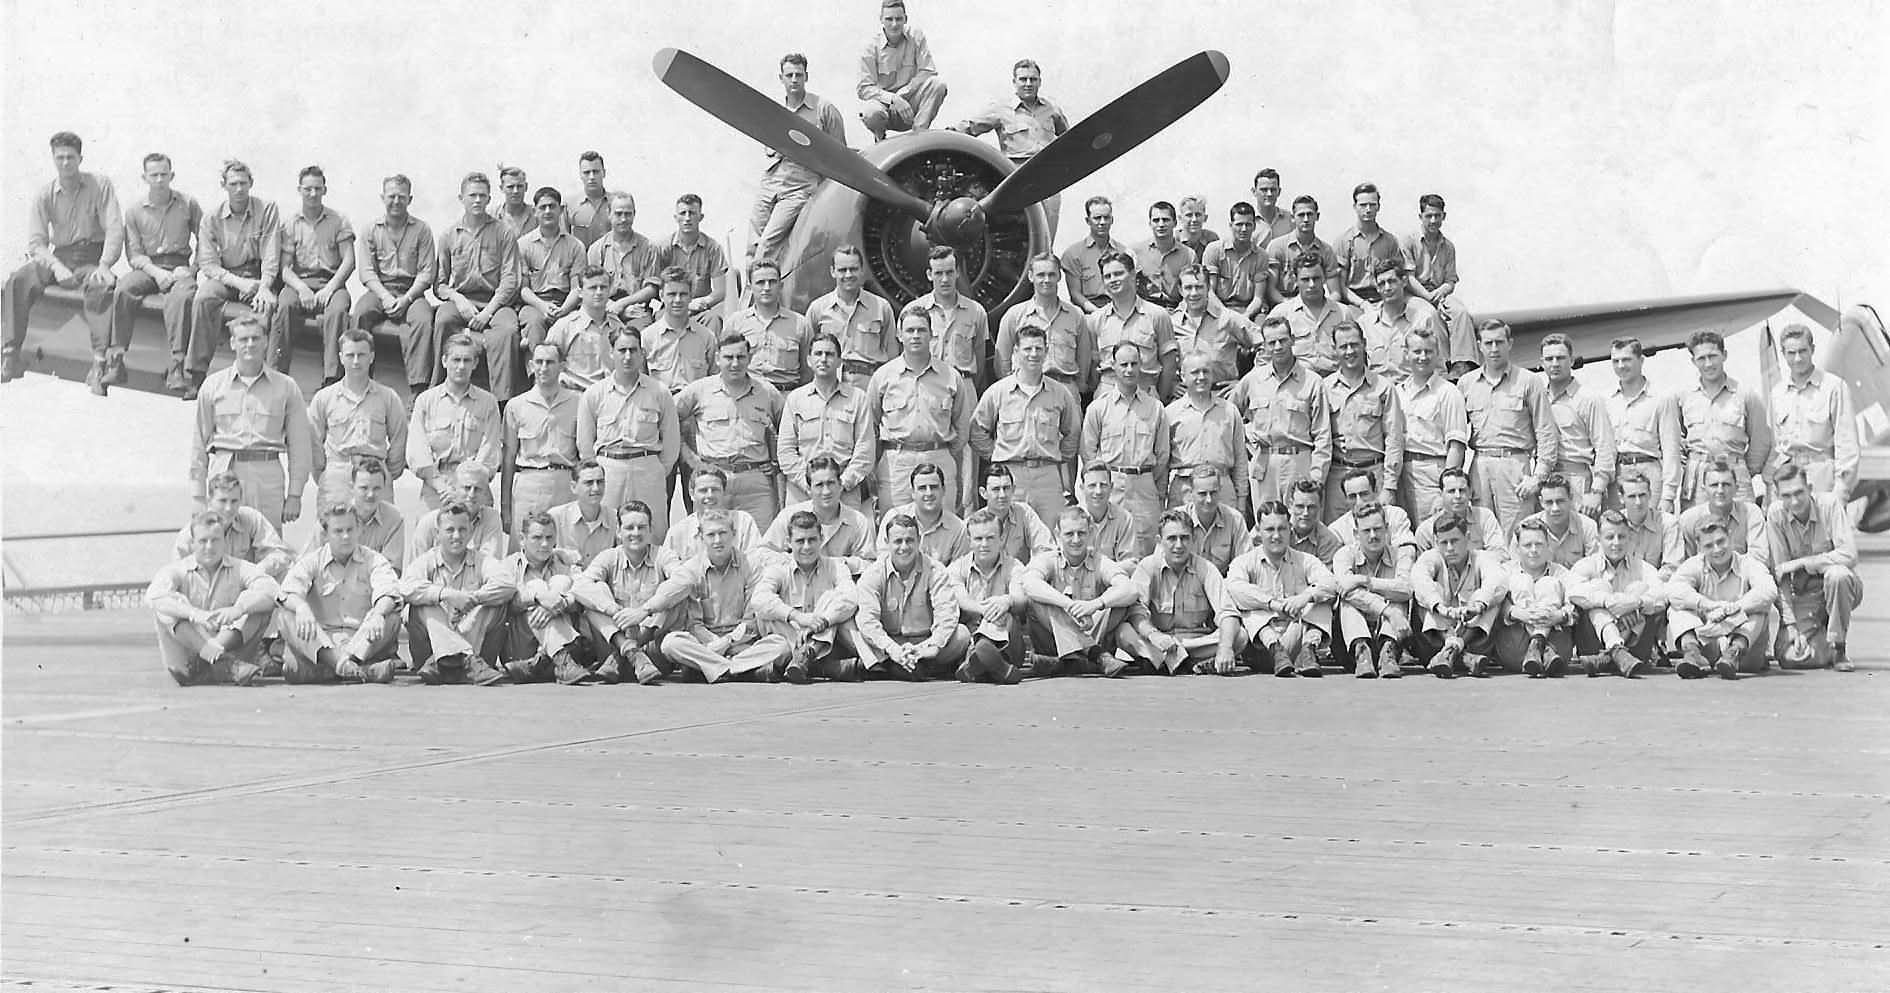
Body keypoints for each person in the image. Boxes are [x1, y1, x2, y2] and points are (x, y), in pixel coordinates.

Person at [5, 131, 122, 387]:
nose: (65, 163)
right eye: (60, 158)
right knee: (17, 280)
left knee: (102, 287)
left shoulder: (100, 185)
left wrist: (104, 265)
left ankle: (99, 363)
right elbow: (36, 243)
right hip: (60, 257)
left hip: (91, 256)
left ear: (81, 158)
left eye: (71, 157)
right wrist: (56, 267)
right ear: (53, 159)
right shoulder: (44, 194)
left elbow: (114, 228)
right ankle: (9, 354)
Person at [189, 315, 312, 530]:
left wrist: (294, 494)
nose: (250, 344)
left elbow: (300, 445)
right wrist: (198, 495)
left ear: (265, 341)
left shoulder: (286, 387)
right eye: (243, 339)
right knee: (221, 541)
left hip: (266, 475)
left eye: (255, 338)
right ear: (232, 343)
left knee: (268, 547)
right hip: (224, 471)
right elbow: (199, 442)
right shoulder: (213, 386)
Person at [647, 510, 789, 683]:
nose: (717, 540)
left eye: (723, 533)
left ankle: (714, 669)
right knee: (671, 643)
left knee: (780, 645)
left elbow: (751, 620)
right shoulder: (692, 569)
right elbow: (694, 623)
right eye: (711, 535)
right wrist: (715, 644)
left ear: (733, 534)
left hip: (741, 643)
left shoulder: (750, 566)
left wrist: (728, 642)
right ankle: (739, 670)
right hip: (705, 644)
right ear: (701, 538)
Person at [147, 511, 280, 687]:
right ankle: (220, 663)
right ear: (192, 543)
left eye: (215, 540)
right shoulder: (176, 570)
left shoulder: (239, 567)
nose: (209, 546)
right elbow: (153, 596)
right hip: (186, 662)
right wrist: (194, 613)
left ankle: (215, 662)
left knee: (256, 602)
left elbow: (273, 591)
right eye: (203, 541)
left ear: (224, 541)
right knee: (167, 605)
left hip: (230, 653)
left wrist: (238, 609)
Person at [277, 503, 402, 684]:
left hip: (362, 641)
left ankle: (335, 669)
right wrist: (302, 607)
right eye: (338, 531)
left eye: (350, 529)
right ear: (326, 534)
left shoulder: (374, 560)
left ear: (359, 530)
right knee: (286, 615)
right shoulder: (312, 561)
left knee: (391, 616)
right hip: (321, 641)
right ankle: (355, 669)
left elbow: (389, 591)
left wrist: (378, 614)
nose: (345, 536)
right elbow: (288, 592)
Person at [864, 309, 975, 512]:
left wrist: (942, 452)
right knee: (896, 527)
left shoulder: (950, 377)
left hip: (938, 457)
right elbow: (870, 426)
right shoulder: (883, 377)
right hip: (896, 463)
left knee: (943, 527)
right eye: (910, 330)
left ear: (931, 334)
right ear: (899, 335)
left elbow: (962, 428)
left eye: (921, 330)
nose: (915, 336)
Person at [971, 324, 1081, 526]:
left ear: (1046, 351)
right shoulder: (999, 392)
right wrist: (995, 456)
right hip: (1010, 476)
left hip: (1047, 476)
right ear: (1016, 352)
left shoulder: (1060, 393)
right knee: (1009, 536)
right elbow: (977, 430)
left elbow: (1072, 432)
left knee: (1052, 535)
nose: (1033, 354)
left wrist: (1058, 457)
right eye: (1027, 349)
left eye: (1039, 349)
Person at [188, 160, 280, 398]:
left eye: (243, 183)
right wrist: (239, 283)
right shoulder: (211, 218)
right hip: (228, 276)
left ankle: (259, 377)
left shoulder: (267, 209)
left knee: (265, 308)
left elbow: (271, 253)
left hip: (259, 277)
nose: (239, 189)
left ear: (251, 184)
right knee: (204, 298)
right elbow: (208, 263)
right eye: (233, 184)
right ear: (224, 186)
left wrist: (265, 286)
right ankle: (196, 374)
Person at [578, 326, 681, 538]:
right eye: (622, 350)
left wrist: (659, 469)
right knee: (606, 533)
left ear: (642, 353)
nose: (627, 356)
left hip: (647, 470)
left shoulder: (659, 392)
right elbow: (585, 445)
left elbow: (671, 442)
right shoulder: (595, 394)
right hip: (609, 470)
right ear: (611, 353)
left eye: (633, 350)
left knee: (653, 533)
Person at [400, 500, 515, 685]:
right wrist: (447, 594)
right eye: (449, 530)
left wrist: (473, 599)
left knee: (494, 601)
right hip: (432, 652)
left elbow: (507, 583)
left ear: (470, 532)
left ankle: (455, 661)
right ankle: (462, 659)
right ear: (437, 534)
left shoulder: (481, 560)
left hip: (474, 644)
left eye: (462, 530)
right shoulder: (426, 561)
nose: (456, 536)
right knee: (424, 605)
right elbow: (406, 586)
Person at [1017, 508, 1141, 678]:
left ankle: (1070, 662)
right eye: (1069, 534)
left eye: (1081, 533)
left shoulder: (1100, 561)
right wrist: (1067, 605)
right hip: (1053, 643)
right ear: (1057, 534)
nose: (1076, 540)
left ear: (1090, 533)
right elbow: (1029, 583)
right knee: (1036, 600)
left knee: (1121, 602)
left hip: (1092, 630)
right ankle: (1095, 656)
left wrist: (1094, 605)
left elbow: (1130, 589)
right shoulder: (1048, 559)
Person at [677, 334, 786, 528]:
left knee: (761, 547)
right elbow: (668, 420)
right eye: (728, 357)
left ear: (750, 358)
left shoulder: (767, 392)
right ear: (718, 358)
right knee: (712, 541)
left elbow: (788, 429)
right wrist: (691, 458)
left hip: (755, 483)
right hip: (714, 480)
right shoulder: (699, 390)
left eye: (741, 357)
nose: (735, 363)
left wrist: (777, 462)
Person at [1461, 319, 1559, 532]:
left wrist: (1538, 477)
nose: (1494, 349)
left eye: (1499, 342)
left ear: (1510, 343)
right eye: (1488, 343)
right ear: (1479, 345)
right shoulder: (1466, 383)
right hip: (1480, 466)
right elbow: (1456, 434)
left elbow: (1546, 432)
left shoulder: (1529, 381)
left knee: (1519, 533)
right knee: (1480, 532)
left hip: (1515, 465)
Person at [114, 152, 201, 394]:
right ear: (145, 177)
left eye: (164, 174)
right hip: (149, 267)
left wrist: (192, 269)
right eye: (154, 175)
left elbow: (206, 240)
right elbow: (134, 254)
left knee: (182, 298)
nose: (160, 179)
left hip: (180, 266)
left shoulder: (188, 204)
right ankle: (116, 358)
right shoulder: (134, 211)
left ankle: (177, 366)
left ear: (172, 175)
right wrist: (155, 273)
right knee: (123, 289)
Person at [751, 52, 850, 264]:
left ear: (806, 76)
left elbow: (840, 155)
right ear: (781, 78)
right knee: (753, 246)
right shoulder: (773, 109)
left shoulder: (824, 109)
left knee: (767, 245)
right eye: (789, 75)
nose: (794, 80)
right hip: (771, 182)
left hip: (800, 187)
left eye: (798, 74)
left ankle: (762, 292)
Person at [846, 512, 971, 679]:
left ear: (919, 541)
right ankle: (904, 665)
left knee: (962, 634)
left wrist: (928, 648)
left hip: (926, 643)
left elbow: (947, 614)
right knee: (854, 629)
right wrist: (893, 650)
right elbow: (868, 621)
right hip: (888, 644)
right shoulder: (873, 574)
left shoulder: (936, 571)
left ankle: (901, 667)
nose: (904, 547)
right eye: (898, 541)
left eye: (910, 540)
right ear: (887, 543)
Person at [1117, 510, 1241, 676]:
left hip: (1195, 642)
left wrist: (1225, 648)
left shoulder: (1206, 569)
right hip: (1158, 641)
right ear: (1160, 542)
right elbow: (1137, 613)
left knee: (1239, 636)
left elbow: (1227, 612)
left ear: (1193, 540)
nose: (1179, 545)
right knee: (1123, 632)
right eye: (1172, 539)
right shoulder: (1147, 567)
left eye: (1184, 538)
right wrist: (1154, 635)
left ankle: (1166, 662)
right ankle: (1186, 663)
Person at [949, 58, 1068, 230]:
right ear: (1014, 82)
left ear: (1039, 82)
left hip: (1048, 178)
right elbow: (970, 126)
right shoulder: (1000, 109)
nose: (1028, 84)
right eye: (1023, 79)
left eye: (1033, 79)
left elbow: (1068, 138)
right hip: (1016, 176)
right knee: (1018, 231)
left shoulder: (1052, 109)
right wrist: (947, 133)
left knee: (1047, 233)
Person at [432, 172, 523, 397]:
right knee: (443, 320)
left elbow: (510, 279)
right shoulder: (449, 235)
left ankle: (502, 401)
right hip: (463, 299)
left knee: (508, 331)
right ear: (461, 198)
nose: (477, 200)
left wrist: (488, 312)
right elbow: (440, 284)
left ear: (489, 199)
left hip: (496, 302)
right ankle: (437, 389)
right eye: (472, 195)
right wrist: (458, 299)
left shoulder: (503, 233)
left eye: (482, 196)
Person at [1766, 463, 1862, 671]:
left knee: (1838, 574)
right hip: (1804, 593)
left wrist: (1803, 562)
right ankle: (1821, 636)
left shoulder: (1829, 505)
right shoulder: (1775, 515)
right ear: (1777, 495)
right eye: (1787, 495)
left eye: (1799, 492)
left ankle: (1838, 646)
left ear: (1810, 488)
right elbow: (1780, 574)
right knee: (1790, 657)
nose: (1794, 501)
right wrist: (1791, 624)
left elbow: (1849, 554)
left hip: (1840, 587)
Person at [1225, 500, 1337, 677]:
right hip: (1260, 648)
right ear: (1259, 532)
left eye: (1282, 529)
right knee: (1249, 606)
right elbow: (1233, 588)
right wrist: (1271, 604)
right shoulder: (1244, 562)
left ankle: (1309, 650)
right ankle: (1275, 649)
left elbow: (1331, 583)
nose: (1276, 536)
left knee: (1320, 599)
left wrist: (1305, 597)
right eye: (1270, 530)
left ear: (1290, 530)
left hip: (1297, 641)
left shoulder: (1305, 560)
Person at [1230, 316, 1331, 510]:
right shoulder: (1253, 380)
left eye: (1282, 340)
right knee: (1267, 525)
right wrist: (1247, 442)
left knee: (1301, 522)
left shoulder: (1312, 382)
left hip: (1299, 462)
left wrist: (1317, 477)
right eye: (1271, 343)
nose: (1278, 347)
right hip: (1264, 464)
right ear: (1265, 346)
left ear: (1292, 340)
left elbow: (1322, 434)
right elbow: (1230, 416)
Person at [750, 509, 863, 683]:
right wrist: (798, 617)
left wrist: (821, 622)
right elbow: (759, 600)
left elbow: (850, 598)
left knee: (833, 599)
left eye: (812, 540)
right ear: (789, 542)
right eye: (800, 541)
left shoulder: (836, 566)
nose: (806, 547)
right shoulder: (778, 568)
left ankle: (807, 655)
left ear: (821, 539)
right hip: (788, 638)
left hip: (822, 637)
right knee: (770, 619)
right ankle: (817, 665)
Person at [572, 500, 677, 684]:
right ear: (619, 532)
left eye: (641, 527)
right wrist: (613, 609)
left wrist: (644, 611)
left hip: (652, 654)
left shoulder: (663, 555)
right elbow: (579, 585)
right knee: (595, 595)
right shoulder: (609, 557)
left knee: (672, 594)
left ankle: (631, 651)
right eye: (629, 527)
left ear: (650, 530)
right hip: (613, 645)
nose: (635, 533)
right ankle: (630, 651)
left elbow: (683, 580)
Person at [1082, 341, 1171, 558]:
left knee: (1145, 552)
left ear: (1141, 365)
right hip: (1110, 487)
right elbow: (1088, 454)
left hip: (1144, 489)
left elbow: (1162, 455)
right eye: (1124, 364)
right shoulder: (1098, 408)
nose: (1129, 370)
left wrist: (1148, 482)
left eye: (1134, 364)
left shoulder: (1155, 408)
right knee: (1105, 548)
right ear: (1113, 366)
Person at [353, 174, 437, 396]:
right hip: (381, 288)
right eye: (391, 196)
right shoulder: (371, 229)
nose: (396, 201)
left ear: (410, 199)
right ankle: (360, 380)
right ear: (382, 197)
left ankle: (418, 389)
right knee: (361, 313)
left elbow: (427, 272)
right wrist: (385, 297)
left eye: (402, 197)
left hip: (412, 292)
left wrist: (407, 298)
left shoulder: (422, 230)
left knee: (423, 320)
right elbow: (367, 271)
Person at [308, 328, 408, 507]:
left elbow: (399, 439)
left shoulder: (388, 397)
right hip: (337, 474)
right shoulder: (324, 398)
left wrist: (386, 472)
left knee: (378, 529)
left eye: (361, 355)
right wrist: (326, 473)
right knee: (335, 531)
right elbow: (313, 441)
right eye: (350, 355)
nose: (355, 361)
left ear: (371, 357)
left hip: (376, 476)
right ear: (340, 357)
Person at [272, 164, 354, 380]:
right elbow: (285, 268)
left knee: (337, 312)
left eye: (318, 188)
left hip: (331, 283)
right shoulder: (290, 223)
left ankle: (332, 379)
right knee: (285, 306)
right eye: (308, 189)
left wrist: (329, 289)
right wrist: (301, 289)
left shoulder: (339, 220)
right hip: (300, 282)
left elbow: (349, 261)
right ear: (299, 190)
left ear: (325, 190)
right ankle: (276, 375)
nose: (313, 194)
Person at [495, 512, 596, 685]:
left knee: (561, 581)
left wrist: (557, 604)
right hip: (521, 643)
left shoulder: (563, 563)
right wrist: (539, 598)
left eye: (550, 538)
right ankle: (561, 658)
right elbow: (509, 603)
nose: (544, 544)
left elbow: (582, 594)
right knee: (537, 586)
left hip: (558, 635)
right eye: (537, 537)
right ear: (522, 539)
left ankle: (551, 661)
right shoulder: (508, 566)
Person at [1667, 520, 1776, 680]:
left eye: (1720, 542)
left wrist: (1734, 608)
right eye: (1709, 546)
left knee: (1760, 609)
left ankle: (1733, 654)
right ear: (1699, 547)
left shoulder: (1749, 563)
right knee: (1676, 607)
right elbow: (1673, 590)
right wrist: (1709, 606)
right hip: (1708, 640)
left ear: (1730, 538)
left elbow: (1769, 590)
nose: (1717, 550)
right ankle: (1692, 653)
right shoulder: (1694, 564)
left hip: (1744, 646)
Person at [1566, 510, 1669, 678]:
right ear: (1599, 540)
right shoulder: (1585, 565)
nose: (1616, 543)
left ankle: (1610, 656)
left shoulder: (1643, 567)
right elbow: (1573, 592)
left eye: (1621, 537)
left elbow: (1663, 595)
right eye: (1609, 537)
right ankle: (1615, 649)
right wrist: (1609, 602)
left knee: (1639, 588)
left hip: (1634, 647)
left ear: (1629, 538)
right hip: (1593, 644)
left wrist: (1635, 604)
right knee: (1599, 587)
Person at [777, 332, 874, 507]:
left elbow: (865, 451)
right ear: (808, 360)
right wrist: (809, 484)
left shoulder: (858, 398)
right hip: (802, 491)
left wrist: (841, 484)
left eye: (829, 354)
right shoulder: (795, 399)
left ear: (839, 361)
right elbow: (785, 450)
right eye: (818, 354)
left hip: (845, 491)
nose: (823, 359)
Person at [407, 332, 501, 510]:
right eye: (456, 360)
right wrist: (441, 487)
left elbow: (490, 450)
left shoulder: (488, 403)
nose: (461, 366)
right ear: (444, 361)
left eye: (467, 360)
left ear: (475, 364)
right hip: (436, 490)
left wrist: (466, 487)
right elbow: (417, 450)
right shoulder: (426, 401)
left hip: (475, 491)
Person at [1677, 330, 1772, 506]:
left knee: (1741, 527)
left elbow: (1761, 440)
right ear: (1693, 361)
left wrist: (1742, 470)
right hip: (1697, 481)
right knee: (1698, 528)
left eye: (1713, 356)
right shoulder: (1685, 397)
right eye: (1701, 358)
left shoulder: (1745, 395)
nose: (1708, 364)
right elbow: (1677, 440)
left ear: (1724, 355)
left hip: (1735, 476)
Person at [1410, 512, 1507, 678]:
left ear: (1467, 537)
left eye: (1454, 541)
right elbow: (1419, 580)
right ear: (1435, 542)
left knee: (1492, 599)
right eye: (1443, 542)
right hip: (1435, 640)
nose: (1449, 548)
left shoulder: (1482, 558)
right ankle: (1459, 655)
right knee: (1426, 595)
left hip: (1473, 638)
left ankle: (1452, 651)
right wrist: (1440, 608)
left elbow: (1497, 580)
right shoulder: (1431, 558)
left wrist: (1477, 606)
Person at [1325, 320, 1405, 517]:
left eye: (1354, 344)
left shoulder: (1383, 387)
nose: (1350, 351)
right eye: (1343, 346)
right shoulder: (1324, 388)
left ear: (1364, 344)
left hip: (1373, 474)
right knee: (1337, 536)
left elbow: (1394, 439)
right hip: (1338, 476)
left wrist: (1389, 486)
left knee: (1375, 531)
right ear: (1335, 350)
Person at [1769, 323, 1858, 500]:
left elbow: (1847, 445)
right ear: (1783, 354)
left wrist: (1841, 492)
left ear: (1812, 349)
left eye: (1803, 351)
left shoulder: (1833, 387)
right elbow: (1775, 446)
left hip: (1823, 478)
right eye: (1791, 353)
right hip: (1788, 478)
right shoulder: (1777, 393)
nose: (1797, 359)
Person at [502, 343, 581, 536]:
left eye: (550, 362)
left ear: (562, 366)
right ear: (531, 366)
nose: (544, 368)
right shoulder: (516, 406)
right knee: (524, 547)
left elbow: (584, 454)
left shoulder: (578, 403)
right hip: (529, 483)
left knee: (565, 547)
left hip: (565, 484)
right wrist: (505, 507)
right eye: (539, 362)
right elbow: (508, 458)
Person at [1331, 502, 1414, 679]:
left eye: (1378, 529)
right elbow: (1346, 589)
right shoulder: (1344, 555)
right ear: (1355, 534)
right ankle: (1362, 652)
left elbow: (1406, 589)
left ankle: (1388, 651)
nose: (1373, 536)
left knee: (1398, 598)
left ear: (1387, 529)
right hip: (1348, 644)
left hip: (1390, 635)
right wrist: (1387, 611)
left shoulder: (1400, 555)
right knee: (1347, 600)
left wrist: (1367, 581)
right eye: (1366, 531)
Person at [947, 508, 1027, 683]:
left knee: (1005, 616)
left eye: (990, 538)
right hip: (971, 635)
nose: (984, 544)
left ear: (1001, 539)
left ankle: (975, 664)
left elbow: (1020, 599)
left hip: (1007, 641)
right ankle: (997, 668)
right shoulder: (957, 568)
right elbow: (960, 599)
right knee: (972, 632)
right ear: (969, 541)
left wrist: (1006, 601)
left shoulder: (1014, 566)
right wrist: (985, 610)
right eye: (978, 538)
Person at [1538, 333, 1616, 515]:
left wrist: (1596, 491)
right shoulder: (1538, 398)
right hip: (1544, 480)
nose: (1555, 363)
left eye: (1561, 358)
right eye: (1549, 359)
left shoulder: (1588, 399)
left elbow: (1605, 447)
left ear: (1572, 360)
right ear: (1542, 363)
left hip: (1577, 478)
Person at [1396, 329, 1468, 519]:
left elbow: (1456, 447)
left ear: (1437, 355)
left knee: (1432, 529)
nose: (1423, 357)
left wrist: (1445, 488)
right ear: (1406, 354)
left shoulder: (1448, 393)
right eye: (1417, 351)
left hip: (1431, 473)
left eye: (1429, 351)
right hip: (1400, 472)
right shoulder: (1397, 392)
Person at [760, 455, 877, 572]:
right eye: (819, 485)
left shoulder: (857, 521)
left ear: (840, 485)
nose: (826, 491)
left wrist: (838, 564)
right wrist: (797, 561)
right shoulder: (789, 516)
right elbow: (763, 553)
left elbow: (869, 564)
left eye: (830, 483)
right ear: (809, 489)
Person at [1606, 337, 1682, 513]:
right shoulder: (1607, 400)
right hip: (1618, 474)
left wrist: (1668, 495)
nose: (1621, 366)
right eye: (1615, 361)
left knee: (1652, 527)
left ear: (1641, 360)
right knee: (1619, 529)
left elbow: (1671, 449)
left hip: (1649, 471)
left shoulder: (1661, 398)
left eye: (1626, 360)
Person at [1089, 251, 1179, 398]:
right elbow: (1092, 367)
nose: (1113, 280)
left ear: (1132, 275)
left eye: (1118, 274)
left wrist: (1159, 399)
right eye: (1107, 276)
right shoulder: (1095, 320)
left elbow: (1169, 364)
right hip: (1107, 397)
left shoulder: (1157, 315)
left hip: (1146, 395)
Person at [1402, 193, 1477, 371]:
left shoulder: (1448, 246)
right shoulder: (1410, 241)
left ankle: (1463, 363)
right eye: (1429, 216)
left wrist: (1440, 292)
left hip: (1439, 292)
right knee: (1430, 315)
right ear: (1420, 217)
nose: (1433, 220)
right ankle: (1443, 364)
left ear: (1444, 216)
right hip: (1414, 294)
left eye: (1437, 215)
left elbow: (1451, 280)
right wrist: (1428, 296)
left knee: (1460, 312)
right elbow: (1408, 277)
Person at [1166, 353, 1249, 512]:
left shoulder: (1230, 411)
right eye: (1195, 372)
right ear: (1183, 377)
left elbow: (1240, 460)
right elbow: (1163, 462)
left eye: (1206, 371)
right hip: (1184, 490)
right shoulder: (1170, 413)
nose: (1201, 377)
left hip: (1222, 489)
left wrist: (1241, 500)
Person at [807, 245, 898, 388]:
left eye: (853, 269)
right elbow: (809, 355)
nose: (848, 275)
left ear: (862, 270)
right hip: (830, 386)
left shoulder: (881, 308)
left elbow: (892, 356)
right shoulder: (818, 309)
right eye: (842, 270)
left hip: (869, 387)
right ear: (833, 272)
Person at [176, 472, 295, 581]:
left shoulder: (250, 518)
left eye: (234, 501)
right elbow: (177, 573)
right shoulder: (191, 533)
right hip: (208, 591)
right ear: (209, 501)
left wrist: (256, 571)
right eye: (222, 501)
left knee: (288, 571)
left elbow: (280, 554)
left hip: (246, 587)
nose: (229, 508)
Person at [857, 0, 948, 142]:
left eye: (898, 19)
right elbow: (864, 88)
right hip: (885, 108)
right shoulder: (870, 47)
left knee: (938, 84)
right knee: (870, 111)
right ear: (881, 19)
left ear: (906, 19)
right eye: (889, 19)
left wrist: (903, 94)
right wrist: (893, 99)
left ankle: (919, 138)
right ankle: (880, 141)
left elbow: (928, 71)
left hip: (911, 107)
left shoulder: (916, 36)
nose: (894, 24)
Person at [1501, 519, 1575, 677]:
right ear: (1517, 548)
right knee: (1522, 581)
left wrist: (1559, 615)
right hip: (1516, 649)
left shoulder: (1562, 574)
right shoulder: (1505, 572)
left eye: (1539, 544)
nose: (1533, 550)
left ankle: (1538, 643)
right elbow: (1494, 605)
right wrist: (1517, 613)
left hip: (1555, 651)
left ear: (1548, 546)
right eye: (1527, 545)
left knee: (1548, 583)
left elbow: (1575, 608)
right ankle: (1537, 644)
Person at [517, 187, 588, 350]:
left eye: (552, 206)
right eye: (543, 207)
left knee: (576, 324)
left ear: (561, 210)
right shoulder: (523, 245)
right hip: (535, 302)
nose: (548, 211)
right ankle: (537, 372)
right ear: (535, 211)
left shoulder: (575, 246)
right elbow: (523, 289)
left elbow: (577, 288)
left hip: (566, 301)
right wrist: (542, 306)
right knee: (535, 324)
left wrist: (563, 310)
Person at [907, 246, 989, 387]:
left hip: (964, 385)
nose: (945, 279)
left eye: (949, 272)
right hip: (926, 387)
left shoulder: (976, 312)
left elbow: (980, 358)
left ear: (958, 273)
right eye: (938, 273)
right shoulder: (912, 312)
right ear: (929, 274)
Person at [729, 258, 813, 392]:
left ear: (781, 286)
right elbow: (726, 365)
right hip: (747, 396)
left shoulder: (800, 324)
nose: (766, 288)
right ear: (750, 287)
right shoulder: (736, 323)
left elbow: (807, 371)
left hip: (786, 396)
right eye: (760, 283)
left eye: (772, 282)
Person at [1264, 254, 1352, 376]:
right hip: (1297, 383)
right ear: (1295, 280)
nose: (1311, 285)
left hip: (1335, 382)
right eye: (1305, 279)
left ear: (1324, 278)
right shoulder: (1281, 314)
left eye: (1316, 278)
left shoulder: (1343, 313)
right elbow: (1265, 357)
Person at [1173, 264, 1253, 391]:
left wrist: (1245, 383)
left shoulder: (1228, 319)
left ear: (1208, 287)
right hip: (1185, 396)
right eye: (1188, 288)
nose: (1193, 293)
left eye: (1199, 287)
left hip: (1221, 394)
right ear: (1180, 290)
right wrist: (1171, 385)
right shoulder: (1173, 323)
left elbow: (1265, 343)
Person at [588, 193, 664, 326]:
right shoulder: (597, 249)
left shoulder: (649, 248)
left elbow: (651, 288)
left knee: (640, 339)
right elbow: (590, 287)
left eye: (628, 214)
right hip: (604, 310)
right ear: (609, 214)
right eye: (618, 214)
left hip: (637, 312)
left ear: (634, 214)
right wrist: (615, 308)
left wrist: (623, 304)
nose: (623, 219)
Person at [643, 266, 720, 395]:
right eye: (672, 294)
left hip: (696, 408)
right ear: (662, 295)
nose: (677, 300)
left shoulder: (707, 337)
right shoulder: (647, 338)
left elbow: (715, 380)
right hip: (661, 407)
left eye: (683, 294)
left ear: (691, 296)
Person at [408, 462, 506, 562]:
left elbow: (491, 563)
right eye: (467, 488)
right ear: (454, 489)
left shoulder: (491, 518)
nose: (471, 495)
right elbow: (415, 569)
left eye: (477, 489)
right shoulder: (429, 523)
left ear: (485, 493)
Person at [546, 265, 622, 391]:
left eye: (603, 287)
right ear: (580, 292)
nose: (599, 292)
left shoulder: (617, 327)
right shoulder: (565, 327)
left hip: (611, 397)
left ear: (609, 291)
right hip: (576, 396)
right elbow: (546, 365)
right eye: (592, 288)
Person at [1334, 183, 1409, 309]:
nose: (1368, 209)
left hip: (1385, 299)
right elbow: (1340, 285)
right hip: (1353, 302)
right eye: (1363, 205)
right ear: (1355, 207)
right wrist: (1363, 304)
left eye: (1372, 205)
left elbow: (1397, 278)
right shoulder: (1343, 241)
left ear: (1378, 207)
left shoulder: (1390, 241)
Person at [1673, 460, 1767, 561]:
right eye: (1714, 485)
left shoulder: (1751, 513)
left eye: (1726, 485)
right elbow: (1684, 562)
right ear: (1704, 489)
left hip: (1743, 573)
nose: (1720, 491)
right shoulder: (1689, 519)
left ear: (1736, 488)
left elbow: (1760, 557)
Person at [664, 466, 765, 561]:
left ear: (724, 492)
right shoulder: (678, 532)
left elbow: (756, 561)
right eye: (703, 490)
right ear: (691, 493)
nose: (710, 495)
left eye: (715, 490)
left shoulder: (744, 522)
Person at [1359, 260, 1441, 376]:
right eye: (1382, 283)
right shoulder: (1364, 323)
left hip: (1411, 389)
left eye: (1392, 281)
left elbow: (1437, 368)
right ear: (1377, 288)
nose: (1387, 288)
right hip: (1375, 389)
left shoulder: (1422, 320)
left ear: (1404, 281)